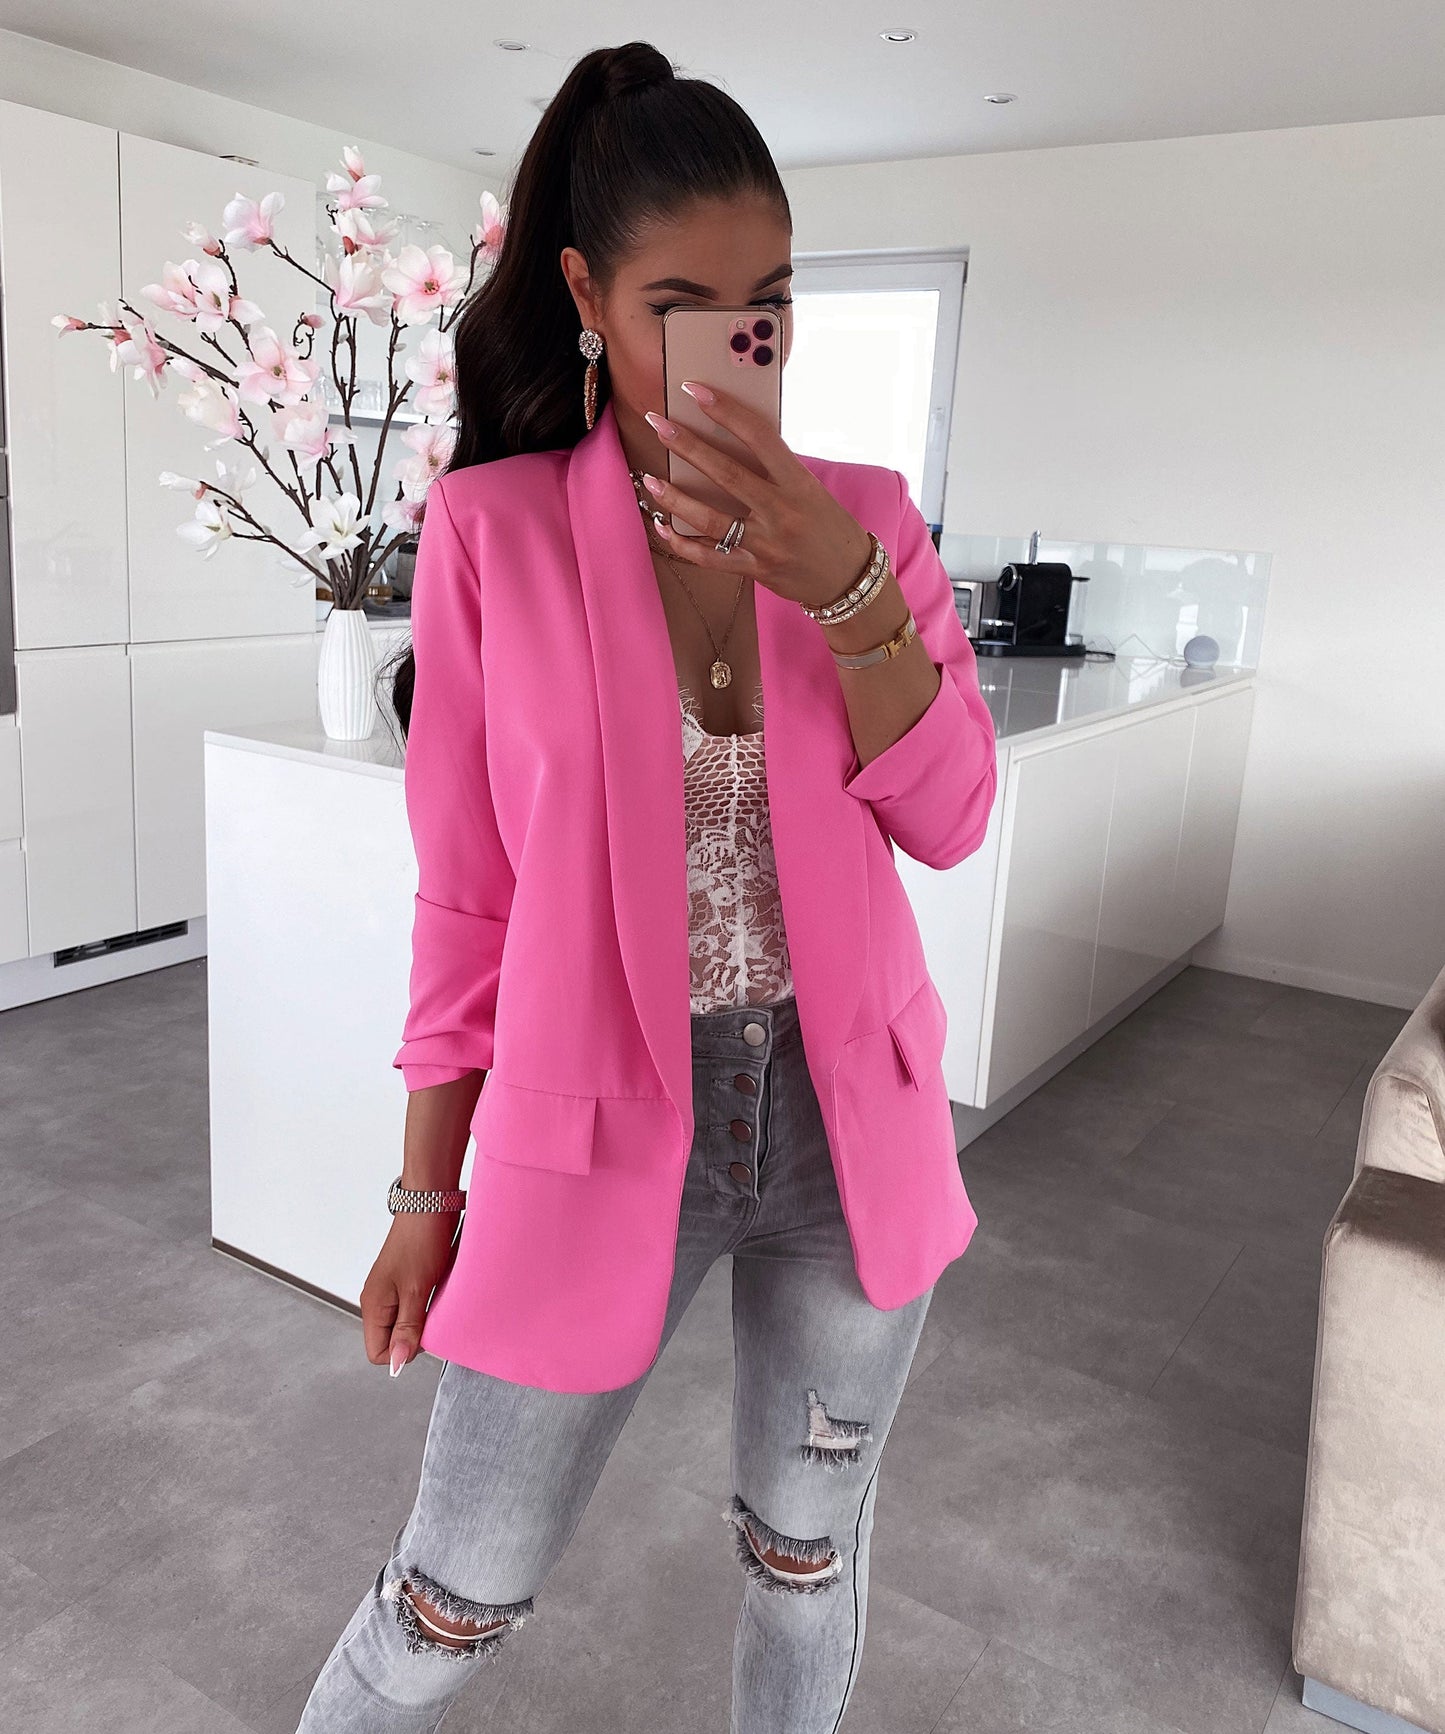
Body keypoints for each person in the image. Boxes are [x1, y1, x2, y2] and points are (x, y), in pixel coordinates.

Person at [296, 37, 998, 1734]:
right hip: (594, 1125)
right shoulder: (492, 535)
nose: (734, 347)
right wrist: (423, 1194)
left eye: (768, 304)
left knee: (804, 1564)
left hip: (846, 1121)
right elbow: (467, 896)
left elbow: (953, 817)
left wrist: (848, 594)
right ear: (586, 300)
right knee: (449, 1602)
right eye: (683, 305)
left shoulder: (867, 522)